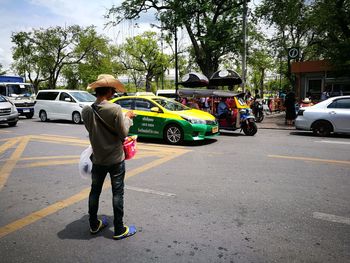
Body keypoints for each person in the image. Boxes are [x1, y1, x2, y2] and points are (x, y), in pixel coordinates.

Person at [82, 74, 137, 240]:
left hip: (97, 158)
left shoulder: (87, 110)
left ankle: (93, 224)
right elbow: (123, 132)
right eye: (112, 89)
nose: (114, 92)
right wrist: (127, 118)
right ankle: (119, 229)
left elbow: (90, 130)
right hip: (115, 160)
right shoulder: (115, 109)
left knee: (95, 191)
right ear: (107, 91)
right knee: (117, 193)